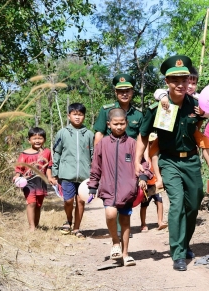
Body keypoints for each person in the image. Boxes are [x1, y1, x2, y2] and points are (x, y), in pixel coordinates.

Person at [135, 55, 204, 271]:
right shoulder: (158, 109)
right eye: (175, 80)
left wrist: (203, 116)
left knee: (193, 203)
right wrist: (138, 161)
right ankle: (178, 253)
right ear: (167, 82)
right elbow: (143, 135)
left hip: (191, 160)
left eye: (184, 79)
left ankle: (184, 243)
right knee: (177, 203)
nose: (181, 84)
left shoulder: (195, 105)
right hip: (169, 161)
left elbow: (197, 128)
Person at [153, 66, 209, 184]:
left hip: (191, 132)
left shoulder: (197, 98)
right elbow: (158, 92)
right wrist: (163, 97)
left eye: (193, 83)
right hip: (169, 133)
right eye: (188, 82)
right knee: (154, 149)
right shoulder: (169, 94)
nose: (190, 86)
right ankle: (158, 178)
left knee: (204, 141)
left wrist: (204, 112)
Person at [93, 73, 145, 239]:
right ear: (115, 92)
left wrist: (143, 161)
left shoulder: (138, 114)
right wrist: (98, 159)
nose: (124, 93)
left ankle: (124, 225)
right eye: (120, 90)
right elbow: (99, 135)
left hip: (130, 158)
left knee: (127, 191)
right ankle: (117, 230)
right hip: (111, 157)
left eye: (128, 90)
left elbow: (141, 138)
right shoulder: (106, 110)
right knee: (112, 191)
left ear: (132, 92)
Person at [88, 108, 140, 267]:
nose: (119, 127)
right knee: (111, 214)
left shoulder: (132, 143)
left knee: (125, 221)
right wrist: (92, 186)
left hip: (127, 190)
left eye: (122, 123)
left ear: (127, 123)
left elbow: (141, 163)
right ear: (108, 124)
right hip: (108, 188)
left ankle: (125, 254)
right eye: (115, 124)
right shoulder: (102, 143)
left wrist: (143, 177)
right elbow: (96, 166)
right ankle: (115, 243)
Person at [52, 103, 94, 238]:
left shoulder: (89, 134)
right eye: (75, 114)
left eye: (80, 115)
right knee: (68, 201)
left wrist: (94, 174)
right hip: (67, 174)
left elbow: (93, 155)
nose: (77, 117)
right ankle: (68, 220)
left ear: (84, 117)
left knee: (81, 201)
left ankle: (77, 228)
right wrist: (55, 172)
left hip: (84, 176)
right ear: (68, 116)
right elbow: (56, 153)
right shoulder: (62, 133)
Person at [13, 127, 54, 231]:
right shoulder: (24, 153)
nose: (37, 140)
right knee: (32, 203)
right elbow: (19, 168)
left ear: (44, 139)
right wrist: (17, 176)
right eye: (34, 138)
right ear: (29, 140)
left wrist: (49, 177)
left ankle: (36, 225)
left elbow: (49, 166)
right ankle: (32, 227)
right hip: (28, 182)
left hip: (41, 182)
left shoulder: (47, 152)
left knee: (38, 204)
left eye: (40, 138)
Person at [139, 132, 168, 233]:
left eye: (154, 143)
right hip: (147, 185)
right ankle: (143, 224)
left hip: (156, 185)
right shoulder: (143, 158)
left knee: (159, 201)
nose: (152, 145)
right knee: (144, 204)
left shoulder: (159, 157)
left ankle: (160, 221)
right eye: (150, 143)